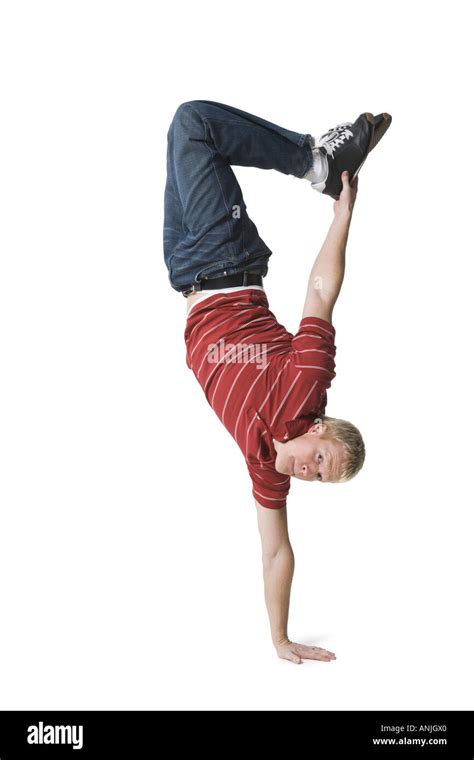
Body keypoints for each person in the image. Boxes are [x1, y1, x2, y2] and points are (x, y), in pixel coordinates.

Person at [163, 100, 391, 664]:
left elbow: (276, 553)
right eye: (320, 460)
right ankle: (317, 163)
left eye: (317, 479)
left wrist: (280, 638)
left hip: (186, 272)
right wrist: (342, 218)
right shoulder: (305, 385)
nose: (307, 471)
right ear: (317, 427)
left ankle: (319, 159)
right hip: (225, 260)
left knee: (184, 135)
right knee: (194, 123)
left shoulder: (267, 465)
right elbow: (319, 293)